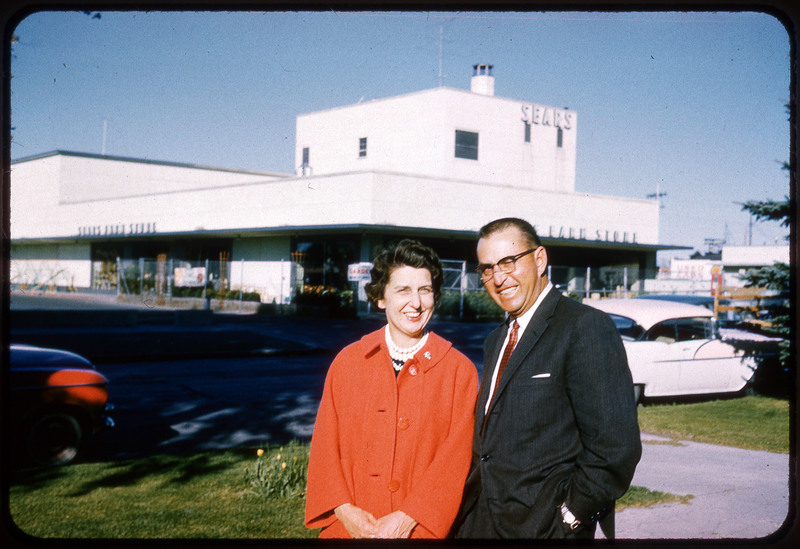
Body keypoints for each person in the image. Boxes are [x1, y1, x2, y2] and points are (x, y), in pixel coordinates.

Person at [454, 217, 641, 539]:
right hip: (481, 520)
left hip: (544, 528)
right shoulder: (496, 340)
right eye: (487, 268)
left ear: (539, 259)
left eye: (509, 262)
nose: (499, 278)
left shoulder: (584, 327)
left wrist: (571, 516)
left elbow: (615, 447)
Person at [305, 239, 479, 539]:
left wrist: (407, 518)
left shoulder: (459, 371)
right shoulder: (348, 362)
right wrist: (345, 511)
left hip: (419, 531)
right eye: (403, 290)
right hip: (349, 529)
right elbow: (324, 447)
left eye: (424, 290)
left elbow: (456, 460)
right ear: (381, 298)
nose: (416, 303)